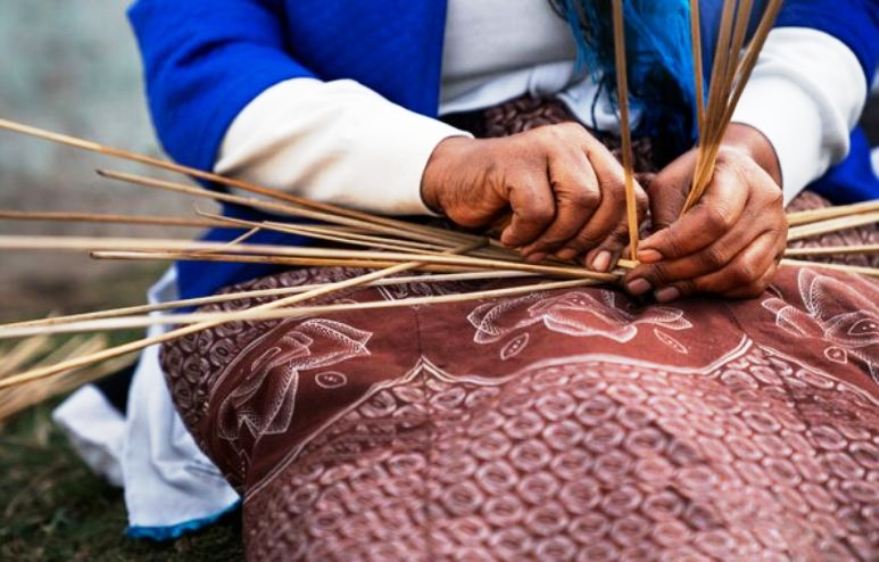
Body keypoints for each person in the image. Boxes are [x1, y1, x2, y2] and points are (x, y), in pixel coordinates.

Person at [55, 0, 879, 558]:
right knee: (544, 410)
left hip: (699, 157)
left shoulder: (741, 157)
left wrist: (755, 147)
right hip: (380, 206)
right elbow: (206, 63)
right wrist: (445, 167)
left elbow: (828, 15)